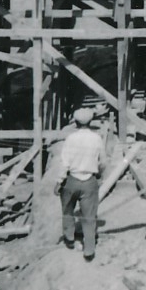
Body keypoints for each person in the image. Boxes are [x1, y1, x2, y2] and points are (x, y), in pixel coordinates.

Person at [53, 107, 105, 260]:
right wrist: (99, 175)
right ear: (91, 122)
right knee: (89, 216)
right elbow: (103, 162)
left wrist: (58, 182)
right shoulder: (97, 138)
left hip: (71, 180)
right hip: (89, 180)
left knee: (67, 209)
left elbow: (65, 163)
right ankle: (89, 250)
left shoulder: (71, 139)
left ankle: (69, 238)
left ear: (75, 122)